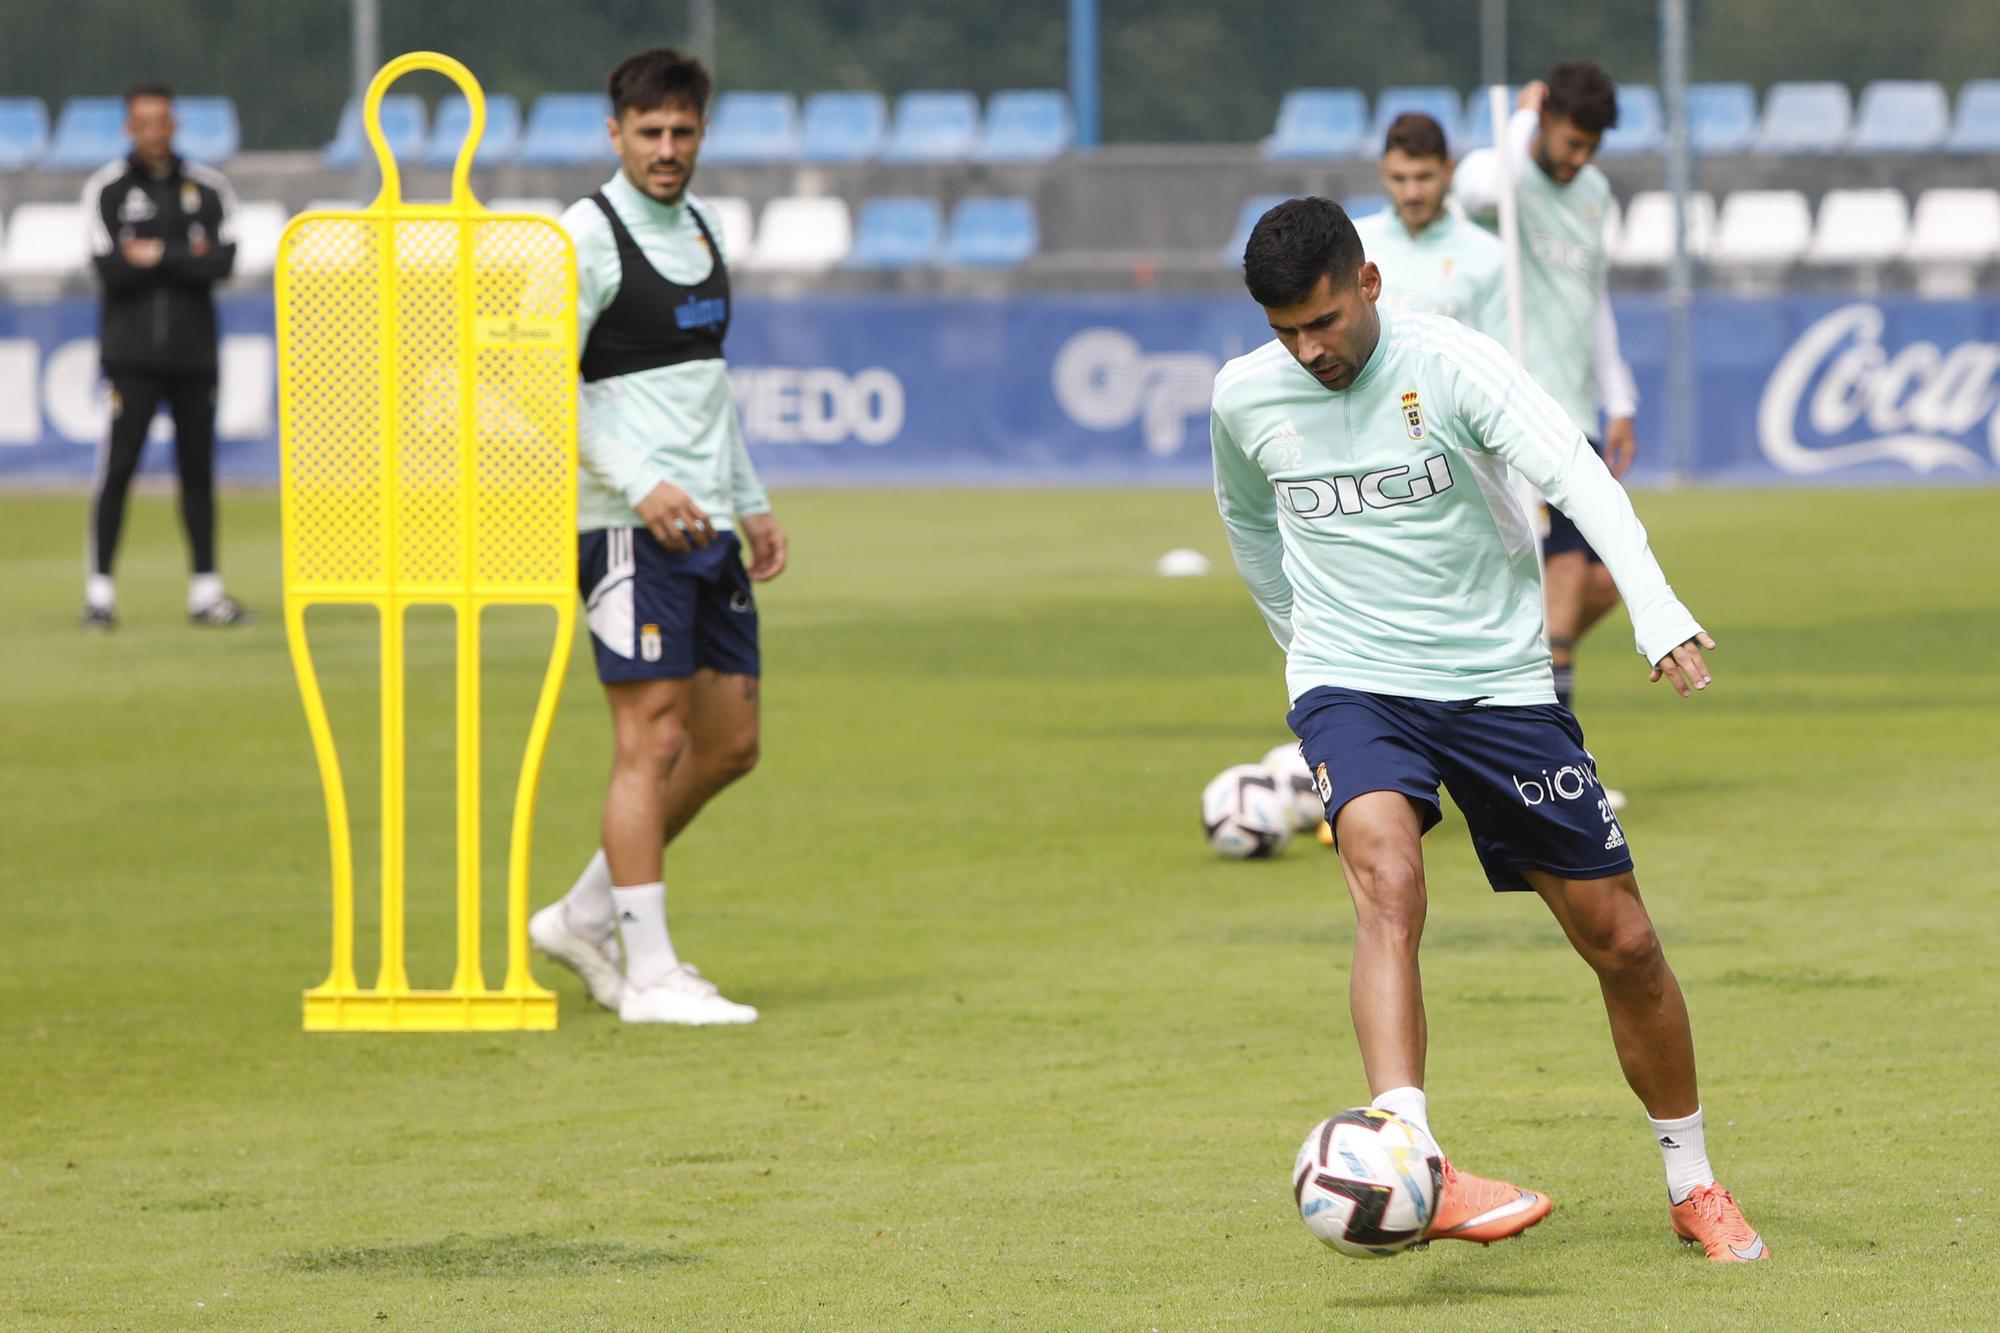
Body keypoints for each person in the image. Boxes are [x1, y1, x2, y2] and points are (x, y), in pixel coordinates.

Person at [1211, 197, 1765, 1262]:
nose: (1307, 349)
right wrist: (1300, 646)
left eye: (1322, 321)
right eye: (1284, 331)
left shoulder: (1454, 366)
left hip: (1496, 684)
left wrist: (1651, 609)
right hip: (1352, 681)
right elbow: (1243, 518)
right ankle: (1411, 1149)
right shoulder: (1243, 397)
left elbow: (1576, 477)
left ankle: (1691, 1181)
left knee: (1622, 942)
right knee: (1384, 880)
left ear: (1366, 283)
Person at [527, 47, 788, 1026]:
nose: (667, 150)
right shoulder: (581, 240)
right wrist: (637, 482)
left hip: (711, 523)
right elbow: (536, 383)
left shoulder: (706, 228)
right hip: (621, 525)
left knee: (730, 744)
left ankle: (585, 913)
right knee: (654, 735)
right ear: (614, 133)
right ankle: (648, 974)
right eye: (649, 133)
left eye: (683, 132)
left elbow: (707, 391)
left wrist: (750, 498)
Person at [1455, 63, 1637, 778]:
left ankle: (1508, 684)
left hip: (1576, 408)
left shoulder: (1594, 193)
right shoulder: (1500, 172)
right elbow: (1481, 187)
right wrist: (1523, 121)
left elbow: (1592, 298)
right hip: (1513, 406)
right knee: (1563, 568)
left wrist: (1619, 397)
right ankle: (1557, 756)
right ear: (1544, 122)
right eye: (1568, 140)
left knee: (1607, 579)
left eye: (1591, 146)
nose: (1579, 158)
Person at [80, 82, 247, 629]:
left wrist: (155, 254)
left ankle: (206, 591)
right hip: (131, 357)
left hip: (195, 356)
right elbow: (110, 270)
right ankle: (100, 595)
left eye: (163, 121)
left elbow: (221, 264)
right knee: (119, 470)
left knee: (197, 474)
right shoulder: (107, 189)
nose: (154, 132)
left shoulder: (208, 187)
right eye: (144, 122)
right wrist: (183, 256)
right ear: (130, 127)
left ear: (174, 125)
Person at [1352, 112, 1506, 340]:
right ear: (1382, 171)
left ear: (1449, 170)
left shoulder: (1491, 255)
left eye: (1424, 177)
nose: (1412, 193)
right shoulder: (1352, 244)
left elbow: (1501, 357)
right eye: (1399, 178)